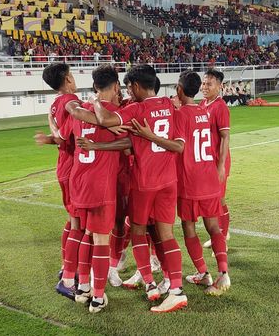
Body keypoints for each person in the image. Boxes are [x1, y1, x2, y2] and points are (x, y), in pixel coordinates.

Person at [74, 64, 188, 313]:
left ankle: (149, 283)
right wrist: (149, 137)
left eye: (128, 87)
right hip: (169, 182)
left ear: (136, 86)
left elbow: (104, 119)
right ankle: (176, 289)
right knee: (166, 234)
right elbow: (178, 147)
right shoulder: (169, 106)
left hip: (145, 182)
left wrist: (95, 100)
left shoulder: (137, 108)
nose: (126, 92)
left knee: (136, 230)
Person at [55, 65, 128, 313]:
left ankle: (82, 287)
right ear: (116, 86)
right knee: (100, 240)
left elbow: (65, 123)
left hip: (78, 183)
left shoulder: (79, 110)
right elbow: (129, 144)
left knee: (86, 233)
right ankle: (97, 296)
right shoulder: (116, 116)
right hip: (101, 186)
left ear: (95, 86)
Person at [171, 71, 231, 295]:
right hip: (208, 177)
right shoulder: (203, 111)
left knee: (188, 227)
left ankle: (203, 273)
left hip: (189, 179)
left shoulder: (181, 114)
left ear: (179, 89)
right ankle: (223, 274)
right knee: (213, 226)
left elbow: (177, 146)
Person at [34, 62, 83, 300]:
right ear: (67, 79)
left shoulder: (56, 104)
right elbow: (65, 137)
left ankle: (67, 266)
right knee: (79, 224)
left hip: (66, 167)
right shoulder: (71, 102)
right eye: (72, 75)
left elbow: (59, 135)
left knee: (73, 220)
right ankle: (67, 279)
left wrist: (50, 136)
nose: (74, 78)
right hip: (74, 168)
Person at [199, 69, 232, 248]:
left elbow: (225, 137)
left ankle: (223, 237)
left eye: (209, 84)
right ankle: (217, 235)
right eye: (204, 83)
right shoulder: (203, 104)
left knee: (219, 200)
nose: (204, 87)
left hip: (218, 162)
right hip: (206, 162)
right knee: (211, 201)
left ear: (219, 87)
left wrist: (221, 166)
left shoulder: (220, 107)